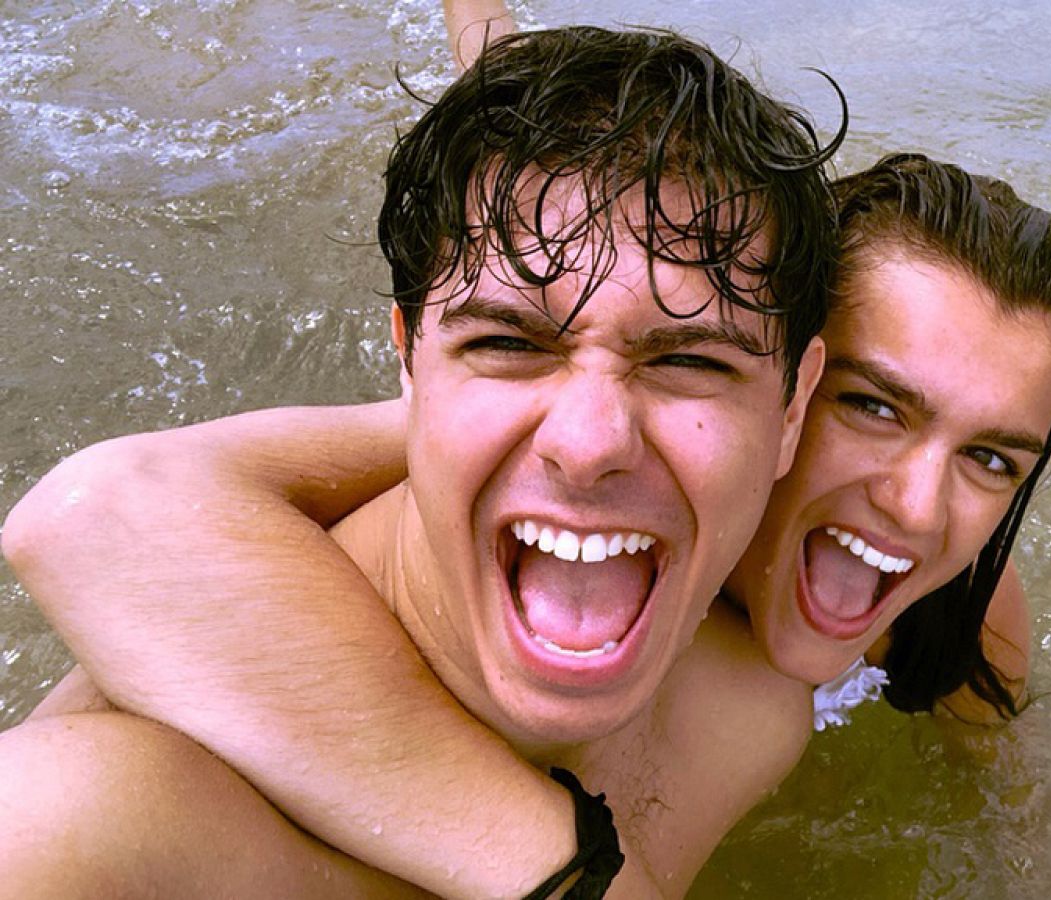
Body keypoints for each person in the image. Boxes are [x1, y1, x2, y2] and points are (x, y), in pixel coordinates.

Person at [0, 23, 839, 899]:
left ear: (793, 409)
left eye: (690, 361)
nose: (589, 445)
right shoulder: (82, 834)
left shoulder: (748, 716)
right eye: (508, 343)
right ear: (408, 364)